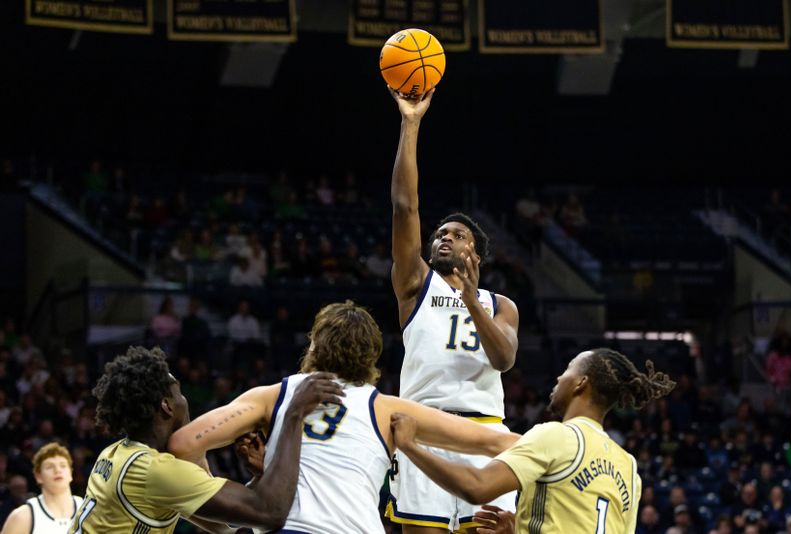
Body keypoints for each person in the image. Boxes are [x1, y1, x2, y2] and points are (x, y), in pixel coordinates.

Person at [168, 301, 520, 534]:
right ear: (371, 360)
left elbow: (183, 445)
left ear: (314, 346)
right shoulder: (387, 409)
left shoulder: (271, 396)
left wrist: (222, 511)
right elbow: (498, 441)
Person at [387, 87, 520, 532]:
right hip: (425, 428)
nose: (444, 237)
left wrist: (469, 299)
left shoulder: (501, 305)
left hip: (485, 436)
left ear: (477, 252)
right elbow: (405, 206)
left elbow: (503, 358)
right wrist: (411, 122)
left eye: (458, 234)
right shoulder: (415, 284)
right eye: (440, 233)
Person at [391, 348, 677, 534]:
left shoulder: (555, 435)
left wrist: (410, 447)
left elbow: (476, 488)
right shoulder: (628, 466)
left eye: (567, 369)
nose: (558, 376)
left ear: (581, 383)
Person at [66, 346, 343, 534]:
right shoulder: (155, 471)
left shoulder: (115, 453)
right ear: (166, 407)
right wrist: (293, 413)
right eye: (179, 394)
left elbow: (221, 527)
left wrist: (261, 477)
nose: (185, 401)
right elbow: (270, 512)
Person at [1, 443, 82, 534]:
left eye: (62, 465)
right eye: (50, 467)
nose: (57, 470)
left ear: (70, 474)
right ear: (38, 476)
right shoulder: (23, 516)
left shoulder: (88, 510)